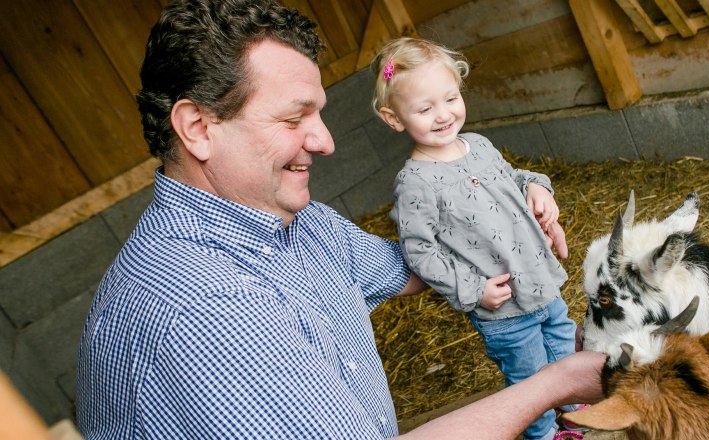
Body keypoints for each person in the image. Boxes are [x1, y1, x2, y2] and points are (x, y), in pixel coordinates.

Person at [75, 1, 605, 439]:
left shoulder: (306, 227)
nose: (326, 142)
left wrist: (518, 225)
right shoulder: (209, 311)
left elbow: (413, 263)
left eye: (318, 114)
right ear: (197, 127)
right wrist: (554, 382)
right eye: (292, 118)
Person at [371, 37, 582, 440]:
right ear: (394, 118)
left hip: (540, 280)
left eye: (450, 99)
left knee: (564, 349)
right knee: (529, 380)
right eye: (424, 108)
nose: (443, 115)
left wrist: (539, 187)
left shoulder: (480, 146)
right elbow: (419, 250)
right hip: (502, 306)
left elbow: (514, 179)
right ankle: (543, 434)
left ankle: (574, 412)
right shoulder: (415, 183)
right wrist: (472, 289)